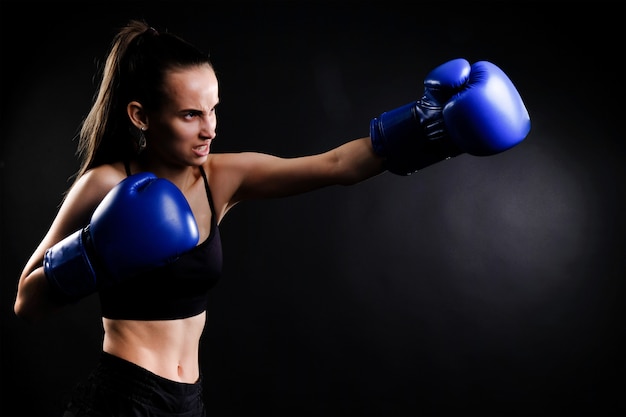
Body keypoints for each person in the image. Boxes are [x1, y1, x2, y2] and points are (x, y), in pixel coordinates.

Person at [13, 19, 530, 417]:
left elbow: (335, 166)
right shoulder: (105, 183)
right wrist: (94, 253)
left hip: (189, 401)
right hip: (121, 399)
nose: (209, 129)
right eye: (190, 114)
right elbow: (27, 303)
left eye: (213, 109)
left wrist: (428, 128)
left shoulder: (223, 177)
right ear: (140, 116)